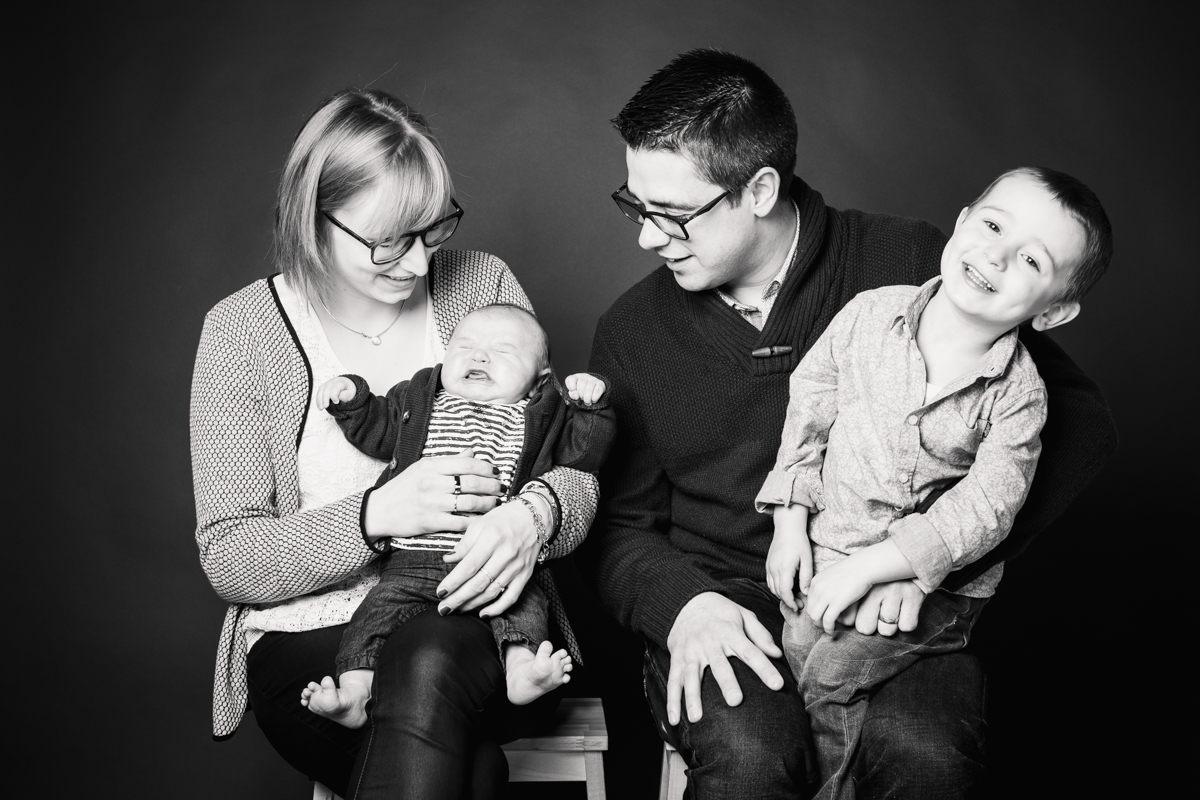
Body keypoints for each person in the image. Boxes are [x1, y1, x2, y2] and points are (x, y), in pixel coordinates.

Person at [580, 49, 1117, 799]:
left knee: (924, 754)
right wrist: (683, 606)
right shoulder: (633, 330)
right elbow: (619, 525)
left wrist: (926, 568)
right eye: (634, 205)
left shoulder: (918, 263)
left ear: (759, 190)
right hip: (725, 596)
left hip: (890, 590)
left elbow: (1075, 430)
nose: (646, 236)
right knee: (754, 756)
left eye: (672, 214)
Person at [190, 88, 599, 800]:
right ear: (314, 217)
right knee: (469, 769)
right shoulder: (242, 333)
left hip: (482, 625)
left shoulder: (481, 285)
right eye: (389, 242)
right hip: (315, 644)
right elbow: (231, 556)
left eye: (431, 232)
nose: (416, 263)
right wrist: (375, 516)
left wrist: (531, 519)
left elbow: (573, 464)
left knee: (432, 659)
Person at [756, 167, 1112, 799]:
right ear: (962, 220)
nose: (996, 256)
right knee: (802, 635)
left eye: (1031, 260)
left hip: (940, 584)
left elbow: (988, 507)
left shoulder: (1019, 397)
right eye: (993, 226)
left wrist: (886, 568)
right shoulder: (867, 316)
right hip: (830, 543)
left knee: (832, 668)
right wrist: (789, 521)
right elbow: (808, 410)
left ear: (1054, 310)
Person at [299, 304, 613, 725]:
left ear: (539, 380)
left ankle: (522, 670)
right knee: (373, 615)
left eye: (503, 351)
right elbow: (379, 428)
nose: (479, 356)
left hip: (494, 562)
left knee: (523, 605)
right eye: (465, 346)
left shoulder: (542, 415)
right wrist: (352, 401)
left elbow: (583, 457)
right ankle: (356, 691)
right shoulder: (419, 400)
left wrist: (591, 408)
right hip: (411, 561)